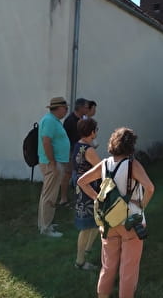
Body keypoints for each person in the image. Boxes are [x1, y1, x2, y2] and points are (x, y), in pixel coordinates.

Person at [78, 127, 155, 298]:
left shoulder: (104, 164)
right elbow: (150, 188)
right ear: (131, 145)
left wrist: (97, 198)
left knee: (108, 264)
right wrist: (141, 205)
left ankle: (103, 295)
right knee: (129, 267)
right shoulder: (132, 165)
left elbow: (82, 181)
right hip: (131, 221)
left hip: (109, 221)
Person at [37, 96, 70, 238]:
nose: (67, 110)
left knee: (48, 194)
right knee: (49, 196)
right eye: (65, 108)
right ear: (59, 108)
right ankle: (46, 228)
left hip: (55, 162)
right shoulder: (50, 121)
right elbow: (46, 142)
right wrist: (52, 162)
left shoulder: (53, 121)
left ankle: (45, 223)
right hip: (52, 163)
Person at [73, 118, 101, 270]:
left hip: (80, 187)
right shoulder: (89, 150)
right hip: (89, 189)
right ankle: (80, 261)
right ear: (92, 132)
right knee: (86, 226)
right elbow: (102, 168)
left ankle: (88, 250)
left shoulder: (78, 145)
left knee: (95, 222)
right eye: (96, 129)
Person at [60, 98, 89, 205]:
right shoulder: (70, 120)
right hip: (70, 151)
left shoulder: (84, 119)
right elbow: (64, 138)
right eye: (86, 107)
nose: (87, 109)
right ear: (80, 108)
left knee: (80, 175)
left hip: (81, 151)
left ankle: (79, 198)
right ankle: (63, 198)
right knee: (67, 174)